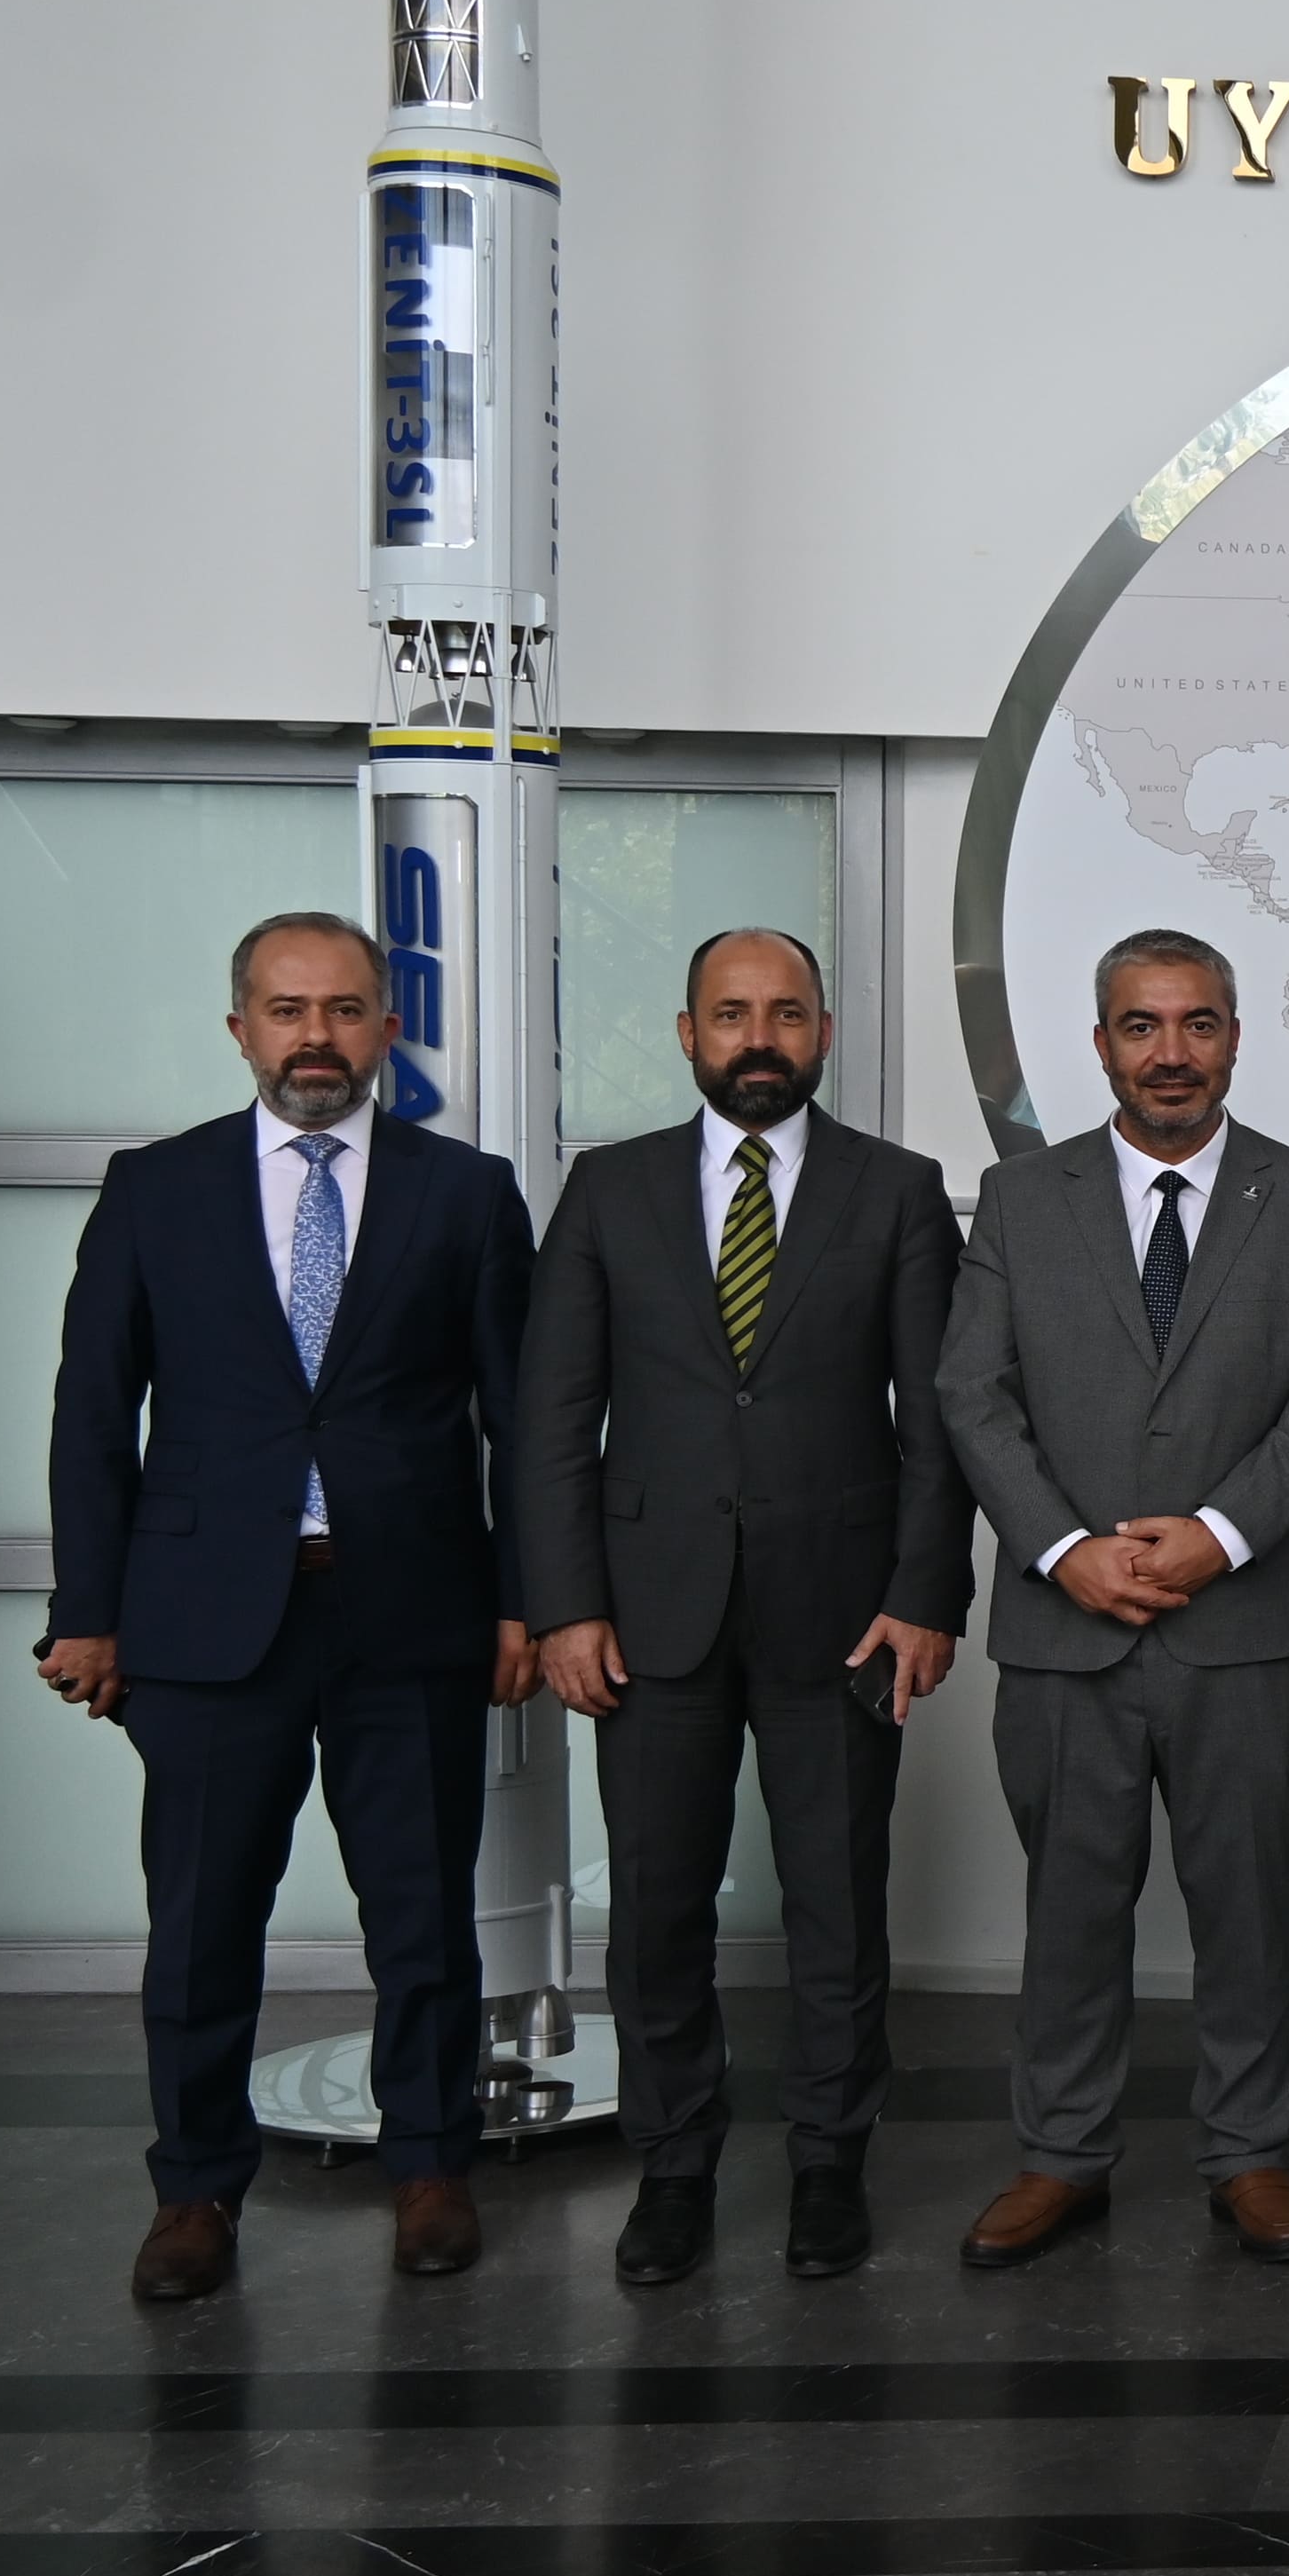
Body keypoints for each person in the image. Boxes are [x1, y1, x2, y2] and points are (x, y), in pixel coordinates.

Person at [41, 911, 536, 2302]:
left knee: (423, 1919)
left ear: (387, 1028)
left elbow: (523, 1422)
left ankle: (430, 2168)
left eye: (344, 1009)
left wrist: (526, 1603)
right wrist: (89, 1608)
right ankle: (195, 2191)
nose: (316, 1036)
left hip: (412, 1616)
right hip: (204, 1625)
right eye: (287, 1009)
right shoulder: (156, 1189)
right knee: (203, 1925)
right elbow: (94, 1413)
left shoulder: (467, 1194)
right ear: (240, 1029)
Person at [518, 928, 969, 2287]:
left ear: (822, 1033)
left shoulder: (899, 1192)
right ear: (688, 1033)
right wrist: (564, 1606)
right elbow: (553, 1419)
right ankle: (674, 2167)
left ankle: (830, 2161)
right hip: (647, 1617)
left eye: (784, 1013)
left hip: (845, 1617)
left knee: (839, 1902)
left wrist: (925, 1594)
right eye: (731, 1014)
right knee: (657, 1907)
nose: (757, 1038)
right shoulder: (608, 1191)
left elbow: (939, 1423)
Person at [930, 930, 1289, 2271]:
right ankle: (1061, 2155)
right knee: (1070, 1911)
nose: (1170, 1054)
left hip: (1246, 1627)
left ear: (1234, 1038)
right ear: (1101, 1042)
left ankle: (1251, 2154)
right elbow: (971, 1395)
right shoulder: (1020, 1200)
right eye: (1141, 1026)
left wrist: (1219, 1538)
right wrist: (1065, 1548)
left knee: (1250, 1907)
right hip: (1068, 1628)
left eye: (1197, 1025)